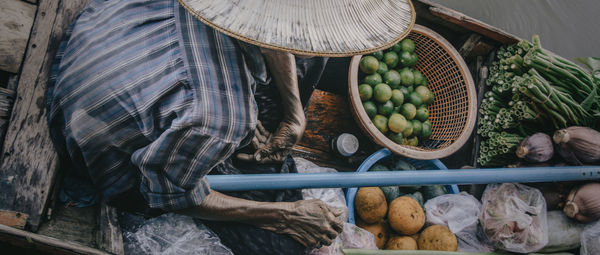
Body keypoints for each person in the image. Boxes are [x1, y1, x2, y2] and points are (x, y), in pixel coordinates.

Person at [46, 0, 414, 252]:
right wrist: (284, 217)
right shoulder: (218, 122)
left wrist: (294, 114)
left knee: (309, 59)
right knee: (283, 247)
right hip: (99, 132)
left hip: (109, 36)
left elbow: (273, 28)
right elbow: (170, 194)